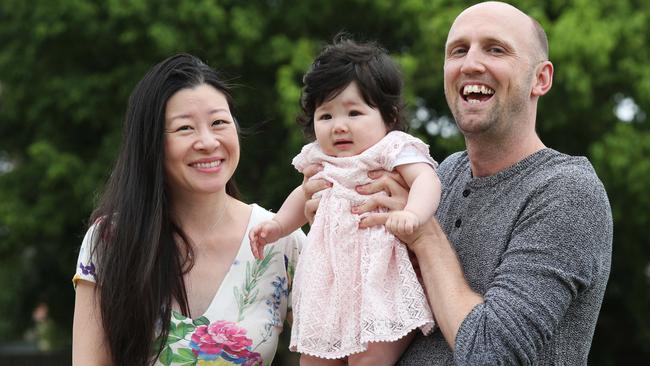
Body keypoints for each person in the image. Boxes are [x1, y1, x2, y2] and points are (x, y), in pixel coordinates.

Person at [303, 2, 613, 365]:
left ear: (541, 79)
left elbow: (491, 354)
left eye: (496, 49)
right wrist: (341, 234)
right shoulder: (443, 174)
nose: (470, 64)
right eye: (458, 51)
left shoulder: (566, 192)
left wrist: (424, 235)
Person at [72, 54, 305, 366]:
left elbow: (336, 353)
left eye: (219, 123)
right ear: (151, 143)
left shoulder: (282, 240)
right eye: (185, 128)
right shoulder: (110, 241)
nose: (207, 142)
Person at [249, 38, 440, 365]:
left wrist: (413, 213)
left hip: (378, 277)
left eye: (354, 112)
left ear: (389, 116)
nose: (339, 126)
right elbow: (304, 194)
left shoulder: (390, 149)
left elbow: (426, 179)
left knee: (370, 358)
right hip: (327, 282)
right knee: (314, 360)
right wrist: (279, 225)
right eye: (325, 116)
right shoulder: (319, 158)